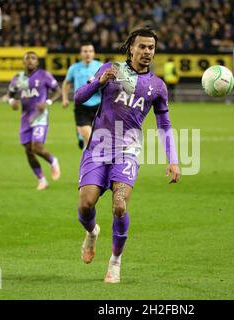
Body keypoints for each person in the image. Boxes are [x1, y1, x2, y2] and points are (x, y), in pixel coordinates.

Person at [74, 28, 181, 283]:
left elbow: (164, 125)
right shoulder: (111, 69)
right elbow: (78, 98)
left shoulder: (157, 86)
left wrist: (173, 159)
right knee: (86, 204)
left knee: (120, 206)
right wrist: (99, 83)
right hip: (98, 147)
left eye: (151, 48)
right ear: (131, 48)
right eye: (142, 47)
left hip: (128, 151)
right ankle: (92, 233)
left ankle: (115, 262)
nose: (146, 52)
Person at [7, 51, 62, 190]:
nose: (30, 61)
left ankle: (53, 161)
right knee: (28, 151)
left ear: (37, 62)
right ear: (23, 62)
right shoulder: (18, 78)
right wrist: (12, 102)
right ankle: (42, 180)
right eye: (27, 58)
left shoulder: (44, 75)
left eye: (33, 58)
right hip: (25, 119)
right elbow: (11, 94)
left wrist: (48, 102)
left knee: (36, 146)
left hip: (40, 116)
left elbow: (58, 91)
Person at [62, 43, 103, 149]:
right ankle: (82, 135)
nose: (87, 54)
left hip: (98, 107)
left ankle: (86, 161)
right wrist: (65, 98)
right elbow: (66, 83)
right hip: (81, 107)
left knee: (90, 142)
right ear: (81, 54)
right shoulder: (74, 68)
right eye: (85, 51)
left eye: (90, 51)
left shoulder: (100, 66)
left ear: (94, 53)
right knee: (91, 140)